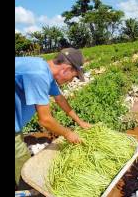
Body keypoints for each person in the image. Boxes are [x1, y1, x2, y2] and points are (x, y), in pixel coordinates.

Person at [15, 48, 92, 188]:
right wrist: (68, 134)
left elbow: (60, 98)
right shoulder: (39, 74)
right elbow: (45, 120)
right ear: (66, 70)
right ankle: (27, 190)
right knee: (22, 164)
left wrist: (80, 122)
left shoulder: (44, 69)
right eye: (74, 76)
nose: (71, 81)